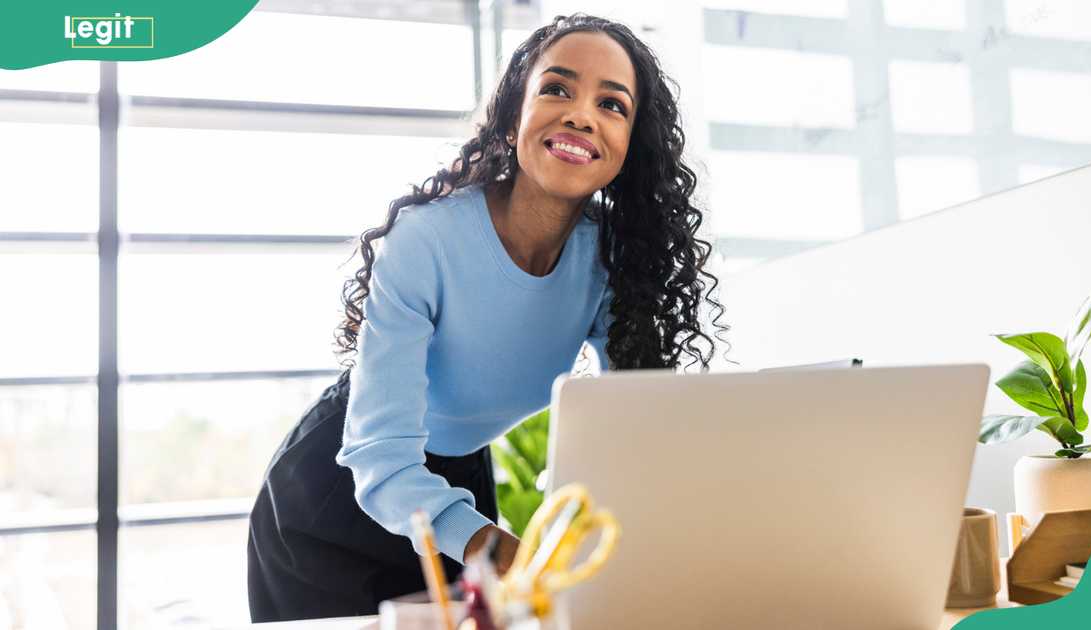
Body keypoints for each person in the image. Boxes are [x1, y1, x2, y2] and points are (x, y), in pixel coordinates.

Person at [246, 12, 731, 622]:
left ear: (632, 145)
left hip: (456, 492)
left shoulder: (611, 263)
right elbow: (381, 459)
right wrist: (519, 557)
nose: (581, 114)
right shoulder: (426, 241)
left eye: (612, 104)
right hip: (336, 495)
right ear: (511, 118)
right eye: (557, 88)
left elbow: (634, 431)